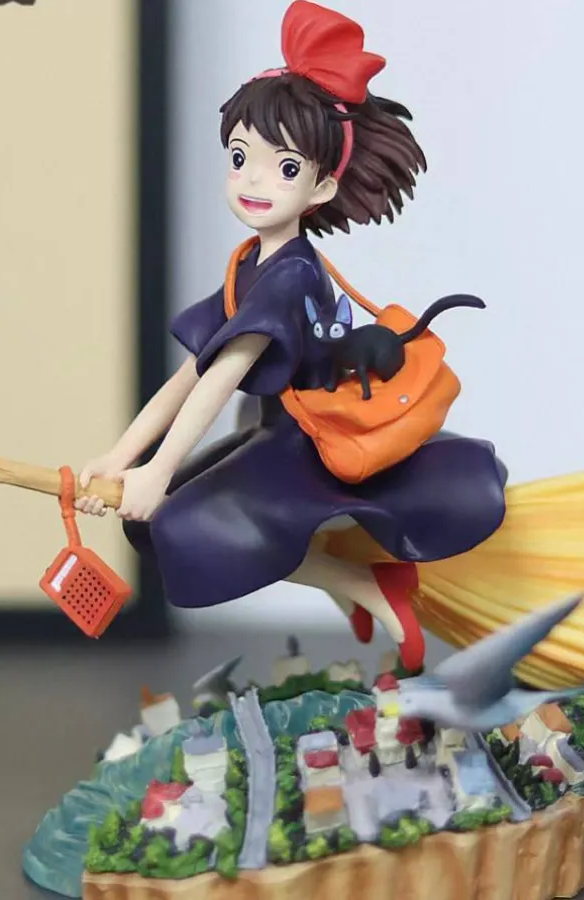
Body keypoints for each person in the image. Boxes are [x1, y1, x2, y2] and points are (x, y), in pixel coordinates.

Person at [75, 1, 506, 671]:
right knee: (152, 526)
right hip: (275, 429)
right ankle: (356, 583)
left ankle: (374, 591)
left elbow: (224, 375)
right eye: (240, 156)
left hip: (306, 443)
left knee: (183, 523)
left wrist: (156, 471)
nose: (253, 179)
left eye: (284, 168)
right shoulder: (249, 264)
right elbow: (192, 371)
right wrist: (121, 455)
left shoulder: (289, 274)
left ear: (322, 186)